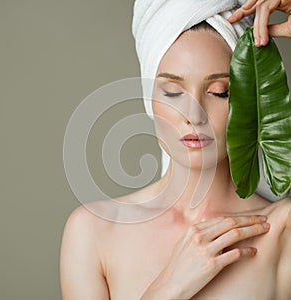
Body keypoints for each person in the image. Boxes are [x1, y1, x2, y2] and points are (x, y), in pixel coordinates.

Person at [60, 0, 291, 299]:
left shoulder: (281, 230)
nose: (194, 115)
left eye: (220, 92)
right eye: (172, 92)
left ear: (248, 101)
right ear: (149, 98)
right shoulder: (93, 232)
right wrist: (171, 287)